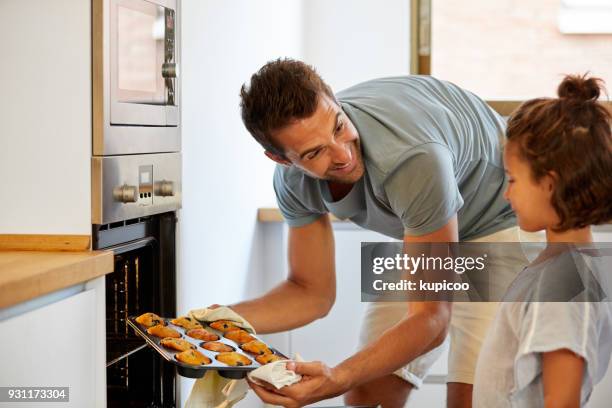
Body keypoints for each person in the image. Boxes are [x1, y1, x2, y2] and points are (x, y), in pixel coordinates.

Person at [231, 58, 527, 408]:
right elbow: (310, 293)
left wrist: (336, 378)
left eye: (338, 127)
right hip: (422, 221)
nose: (342, 154)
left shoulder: (411, 160)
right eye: (314, 152)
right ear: (281, 160)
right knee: (366, 396)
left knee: (470, 400)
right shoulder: (293, 184)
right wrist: (214, 320)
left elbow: (431, 319)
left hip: (499, 212)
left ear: (337, 103)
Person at [473, 74, 612, 407]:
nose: (507, 194)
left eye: (512, 180)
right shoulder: (562, 267)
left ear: (549, 184)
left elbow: (561, 401)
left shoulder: (565, 281)